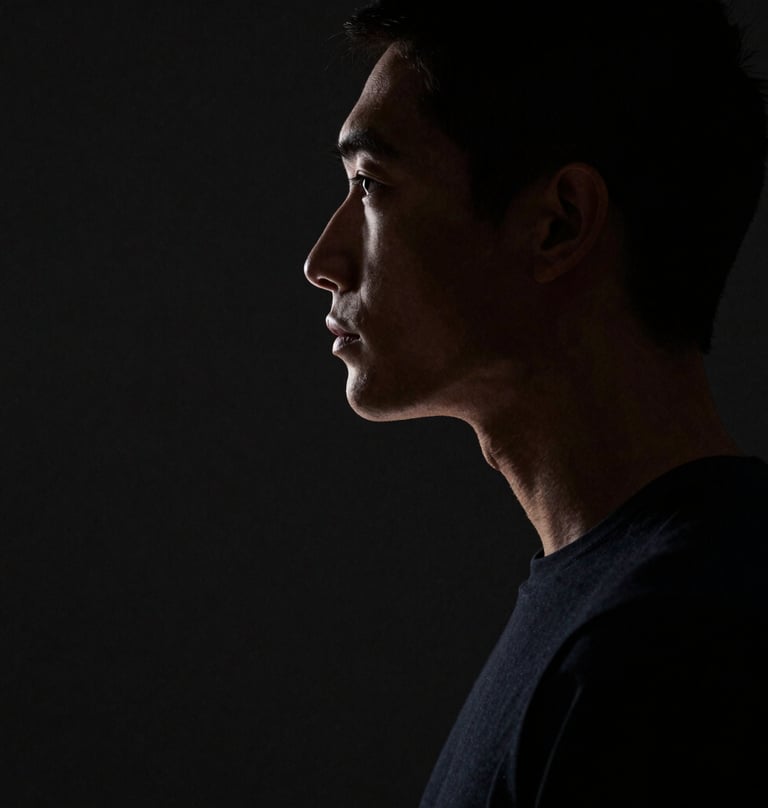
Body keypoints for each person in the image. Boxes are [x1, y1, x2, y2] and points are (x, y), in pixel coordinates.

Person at [304, 1, 768, 805]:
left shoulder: (667, 648)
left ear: (558, 224)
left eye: (371, 184)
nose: (323, 260)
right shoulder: (629, 612)